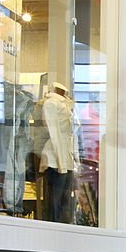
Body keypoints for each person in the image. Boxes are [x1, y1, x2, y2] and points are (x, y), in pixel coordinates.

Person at [39, 82, 80, 223]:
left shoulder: (67, 104)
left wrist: (75, 158)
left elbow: (72, 135)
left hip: (66, 158)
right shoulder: (51, 103)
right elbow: (54, 132)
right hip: (55, 158)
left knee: (66, 201)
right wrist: (61, 161)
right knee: (54, 202)